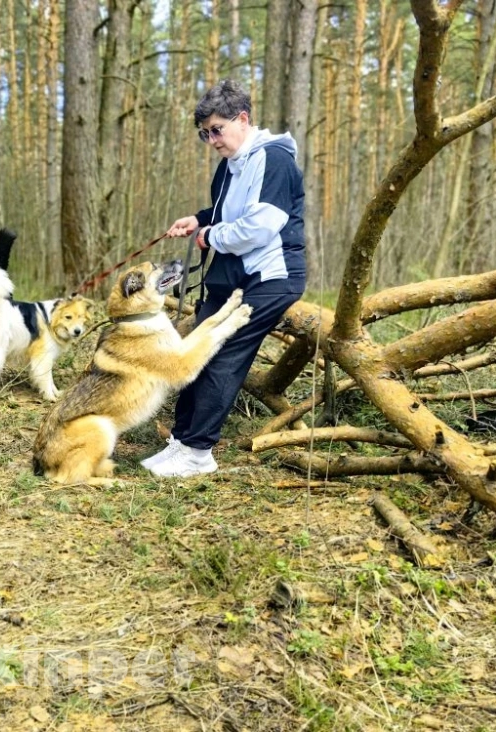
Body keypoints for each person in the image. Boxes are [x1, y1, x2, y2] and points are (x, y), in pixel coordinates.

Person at [142, 79, 307, 478]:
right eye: (205, 133)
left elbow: (259, 227)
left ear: (243, 119)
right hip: (230, 277)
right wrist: (199, 220)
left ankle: (199, 453)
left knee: (222, 356)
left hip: (270, 277)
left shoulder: (275, 160)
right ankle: (181, 441)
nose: (211, 139)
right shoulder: (230, 166)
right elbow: (224, 212)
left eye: (217, 129)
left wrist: (209, 235)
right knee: (195, 352)